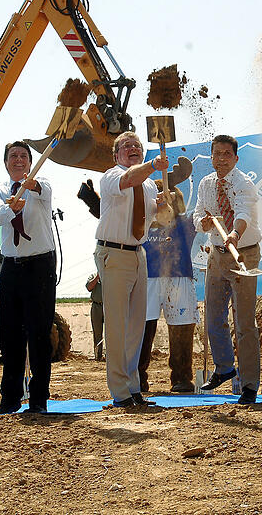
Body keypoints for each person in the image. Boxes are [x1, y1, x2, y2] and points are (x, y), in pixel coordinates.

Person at [94, 132, 168, 407]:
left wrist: (161, 208)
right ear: (116, 156)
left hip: (139, 254)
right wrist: (153, 166)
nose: (133, 148)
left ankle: (134, 386)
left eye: (137, 145)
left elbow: (152, 220)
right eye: (126, 146)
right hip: (113, 252)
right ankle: (120, 392)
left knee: (137, 323)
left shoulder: (149, 185)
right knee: (117, 325)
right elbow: (128, 180)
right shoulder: (111, 175)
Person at [0, 141, 59, 414]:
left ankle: (39, 399)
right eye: (13, 156)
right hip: (11, 267)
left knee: (39, 333)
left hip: (40, 265)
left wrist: (30, 187)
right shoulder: (0, 189)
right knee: (10, 335)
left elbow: (44, 191)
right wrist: (12, 208)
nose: (18, 160)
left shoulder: (41, 183)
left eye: (23, 156)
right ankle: (10, 398)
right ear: (6, 162)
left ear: (30, 162)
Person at [194, 134, 262, 404]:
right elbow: (197, 216)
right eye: (216, 154)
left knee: (245, 322)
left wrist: (234, 234)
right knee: (213, 316)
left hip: (243, 254)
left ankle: (249, 385)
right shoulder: (206, 184)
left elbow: (244, 214)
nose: (221, 159)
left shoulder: (244, 183)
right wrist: (205, 223)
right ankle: (224, 367)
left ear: (235, 157)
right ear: (211, 157)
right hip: (216, 255)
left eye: (226, 154)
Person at [143, 180, 200, 393]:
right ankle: (138, 376)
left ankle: (182, 377)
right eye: (156, 194)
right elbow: (114, 219)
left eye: (166, 194)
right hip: (148, 278)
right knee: (143, 327)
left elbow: (205, 217)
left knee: (182, 326)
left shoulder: (184, 223)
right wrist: (93, 201)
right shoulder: (142, 222)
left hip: (179, 277)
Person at [85, 273, 104, 362]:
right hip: (96, 306)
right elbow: (89, 287)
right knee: (97, 332)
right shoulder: (93, 276)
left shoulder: (111, 275)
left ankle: (111, 356)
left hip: (109, 306)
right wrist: (97, 277)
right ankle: (98, 355)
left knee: (111, 333)